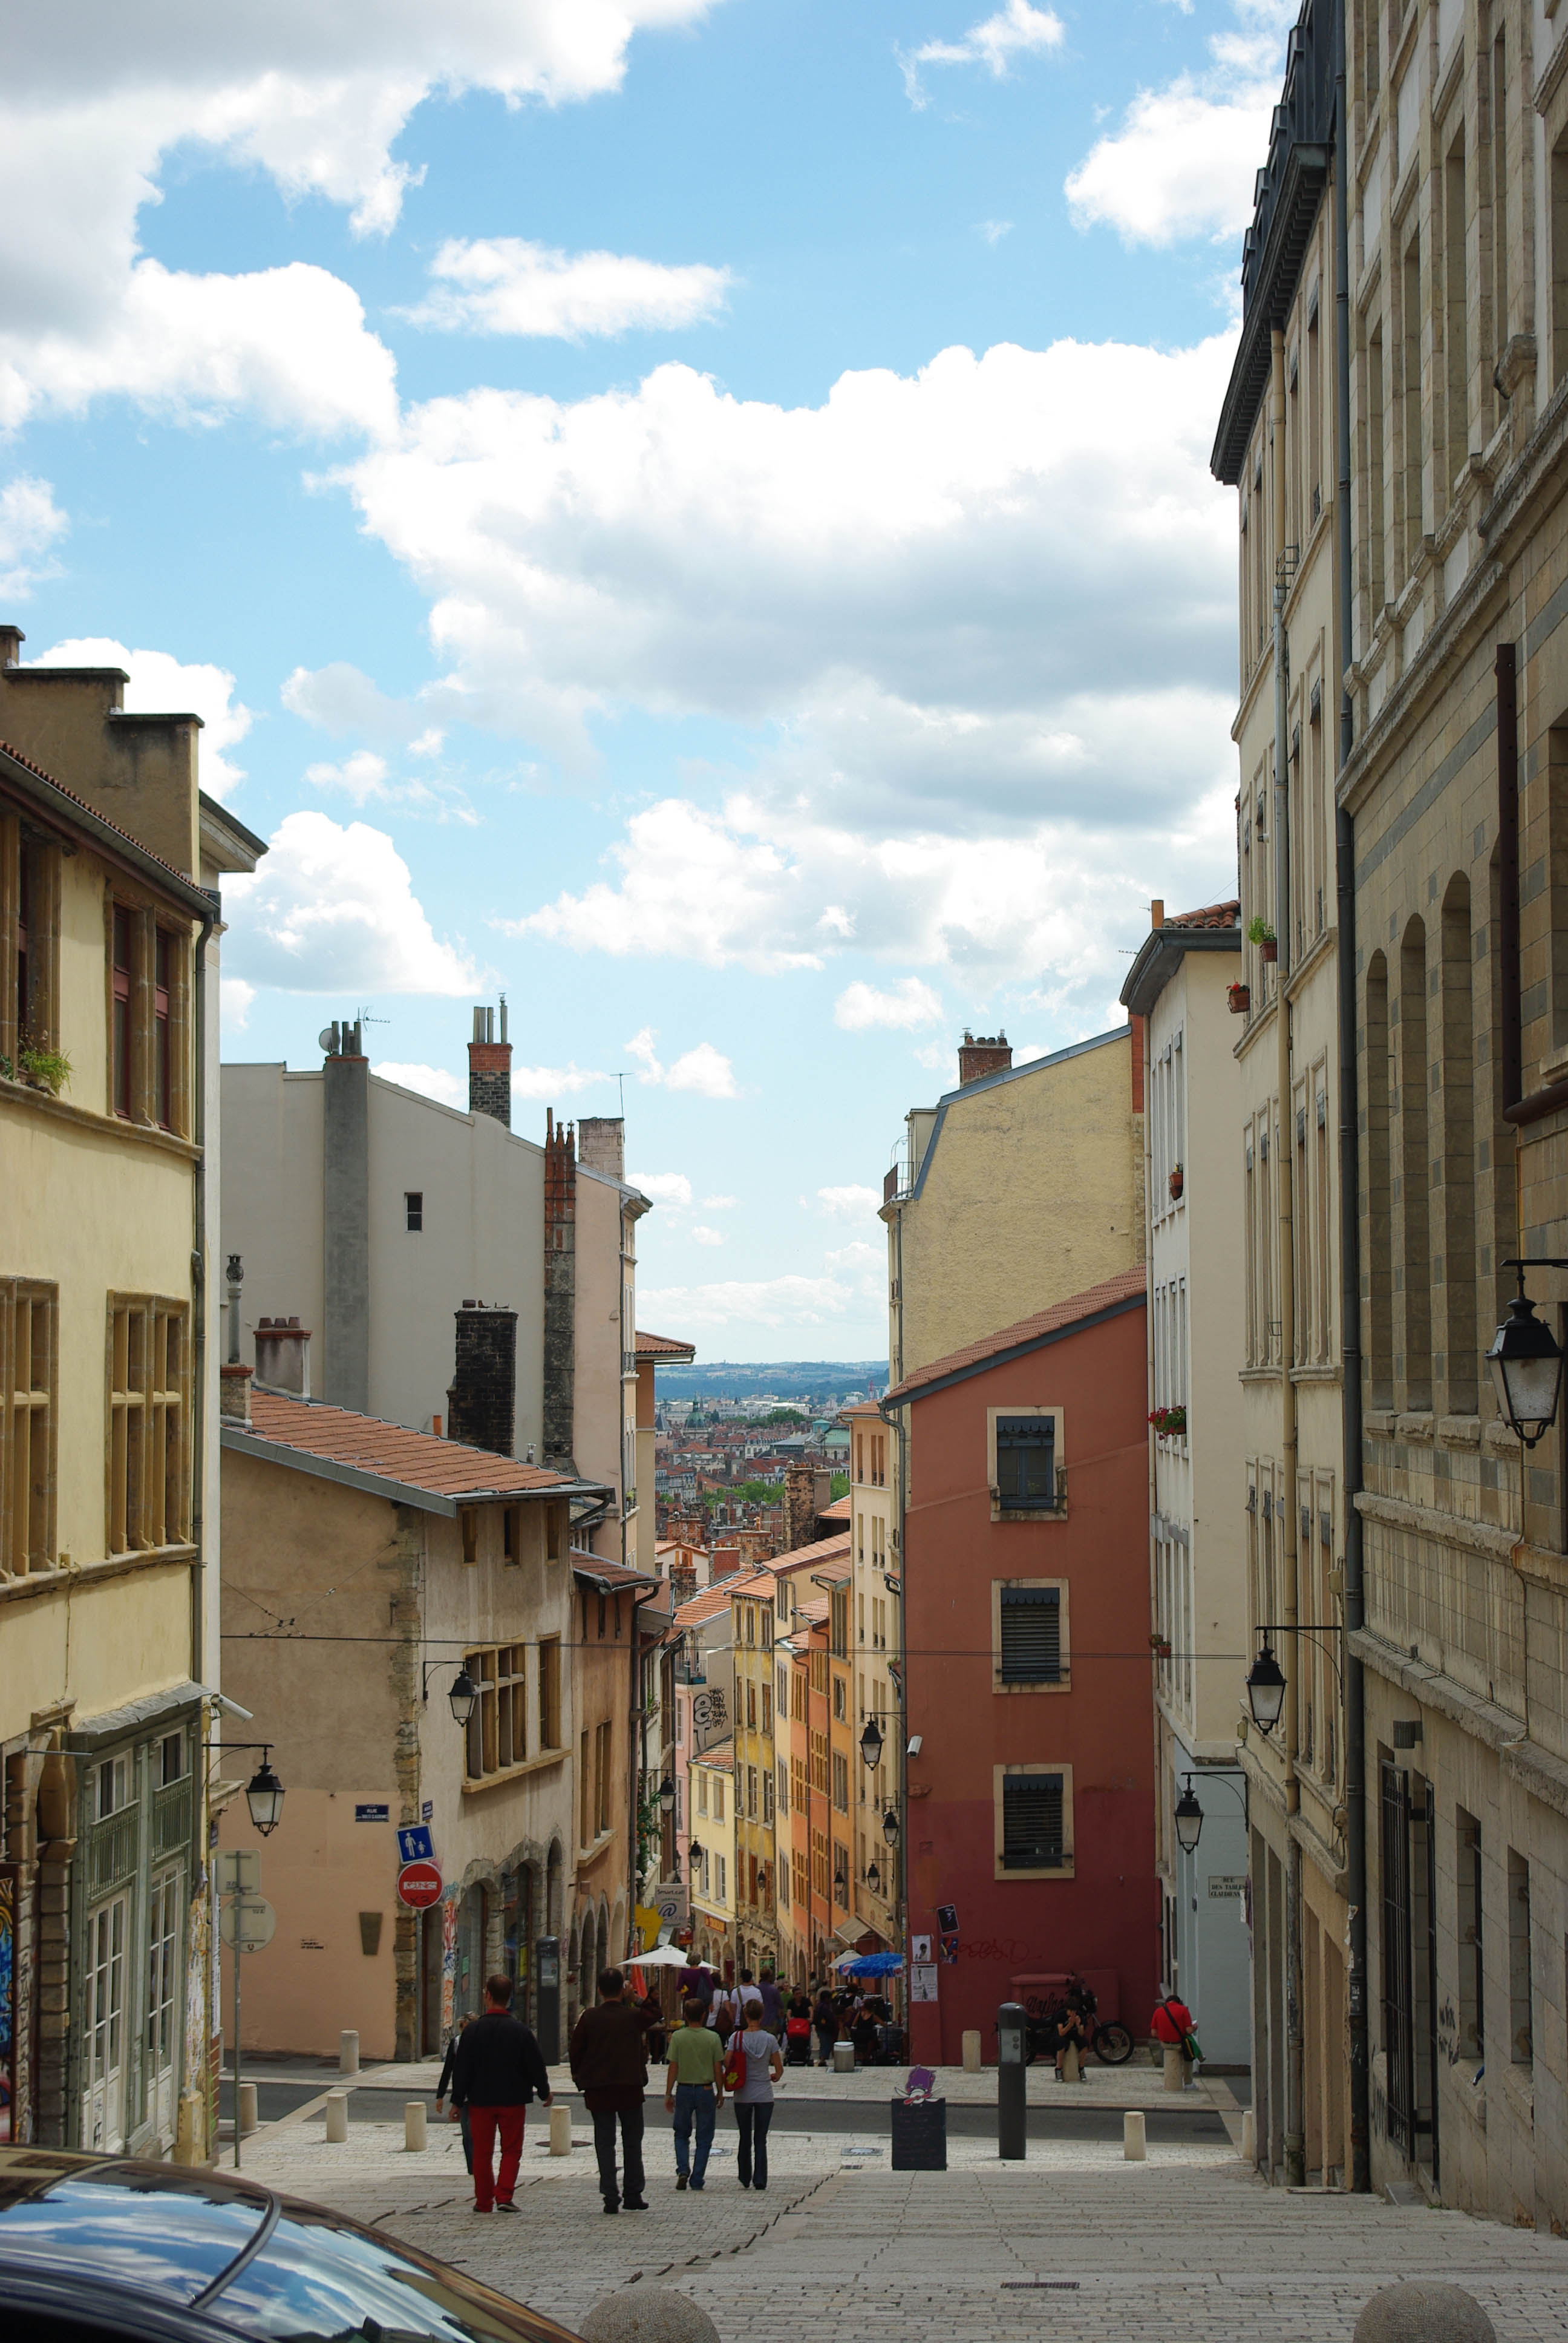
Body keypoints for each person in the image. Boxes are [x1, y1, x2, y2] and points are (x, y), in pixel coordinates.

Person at [449, 1976, 551, 2215]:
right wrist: (544, 2091)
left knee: (482, 2153)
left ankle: (483, 2201)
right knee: (511, 2150)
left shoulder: (472, 2031)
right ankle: (504, 2195)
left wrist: (456, 2102)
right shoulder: (521, 2032)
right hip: (513, 2100)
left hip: (480, 2101)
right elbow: (535, 2066)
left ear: (487, 1996)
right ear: (510, 1998)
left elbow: (462, 2069)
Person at [571, 1967, 652, 2213]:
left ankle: (610, 2196)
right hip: (629, 2086)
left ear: (599, 1990)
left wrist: (579, 2078)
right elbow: (656, 2014)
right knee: (632, 2142)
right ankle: (633, 2194)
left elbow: (576, 2051)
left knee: (604, 2143)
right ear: (622, 1989)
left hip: (599, 2089)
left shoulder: (590, 2017)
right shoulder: (633, 2016)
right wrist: (635, 1998)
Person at [664, 1993, 726, 2191]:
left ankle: (683, 2168)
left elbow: (673, 2066)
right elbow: (718, 2067)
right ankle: (697, 2178)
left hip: (683, 2089)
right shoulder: (713, 2038)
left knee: (681, 2133)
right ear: (703, 2016)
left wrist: (668, 2093)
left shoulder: (678, 2037)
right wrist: (720, 2091)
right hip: (705, 2089)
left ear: (685, 2015)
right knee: (705, 2136)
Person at [729, 1999, 783, 2190]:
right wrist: (775, 2076)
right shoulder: (770, 2040)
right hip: (764, 2094)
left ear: (745, 2016)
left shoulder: (736, 2038)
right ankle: (760, 2178)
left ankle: (744, 2176)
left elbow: (727, 2062)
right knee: (761, 2138)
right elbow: (779, 2068)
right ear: (761, 2016)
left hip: (743, 2093)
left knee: (745, 2135)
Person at [434, 2014, 476, 2173]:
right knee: (467, 2134)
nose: (465, 2030)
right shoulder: (457, 2043)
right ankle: (472, 2168)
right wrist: (440, 2096)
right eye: (462, 2027)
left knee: (477, 2134)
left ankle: (479, 2166)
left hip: (481, 2096)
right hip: (463, 2097)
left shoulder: (483, 2042)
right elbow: (448, 2071)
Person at [1151, 1989, 1198, 2086]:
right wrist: (1195, 2027)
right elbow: (1189, 2031)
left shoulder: (1158, 2011)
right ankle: (1188, 2082)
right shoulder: (1183, 2010)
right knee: (1189, 2055)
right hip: (1179, 2044)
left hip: (1165, 2044)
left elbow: (1154, 2033)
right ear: (1179, 2002)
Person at [757, 1967, 785, 2046]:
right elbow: (781, 2006)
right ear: (770, 1977)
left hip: (759, 2022)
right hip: (771, 2022)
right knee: (771, 2045)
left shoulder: (756, 1989)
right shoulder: (774, 1990)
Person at [785, 1991, 813, 2067]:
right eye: (797, 1994)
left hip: (805, 2022)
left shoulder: (806, 2001)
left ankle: (805, 2053)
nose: (799, 1995)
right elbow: (789, 2012)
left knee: (805, 2036)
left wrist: (811, 2018)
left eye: (800, 1993)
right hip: (795, 2023)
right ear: (794, 1995)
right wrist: (789, 2019)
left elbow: (810, 2009)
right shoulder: (791, 2002)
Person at [812, 1987, 837, 2068]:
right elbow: (830, 2017)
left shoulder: (819, 2006)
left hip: (820, 2028)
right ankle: (822, 2059)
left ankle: (823, 2059)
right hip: (825, 2029)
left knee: (824, 2043)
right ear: (826, 1998)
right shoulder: (824, 2007)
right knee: (826, 2044)